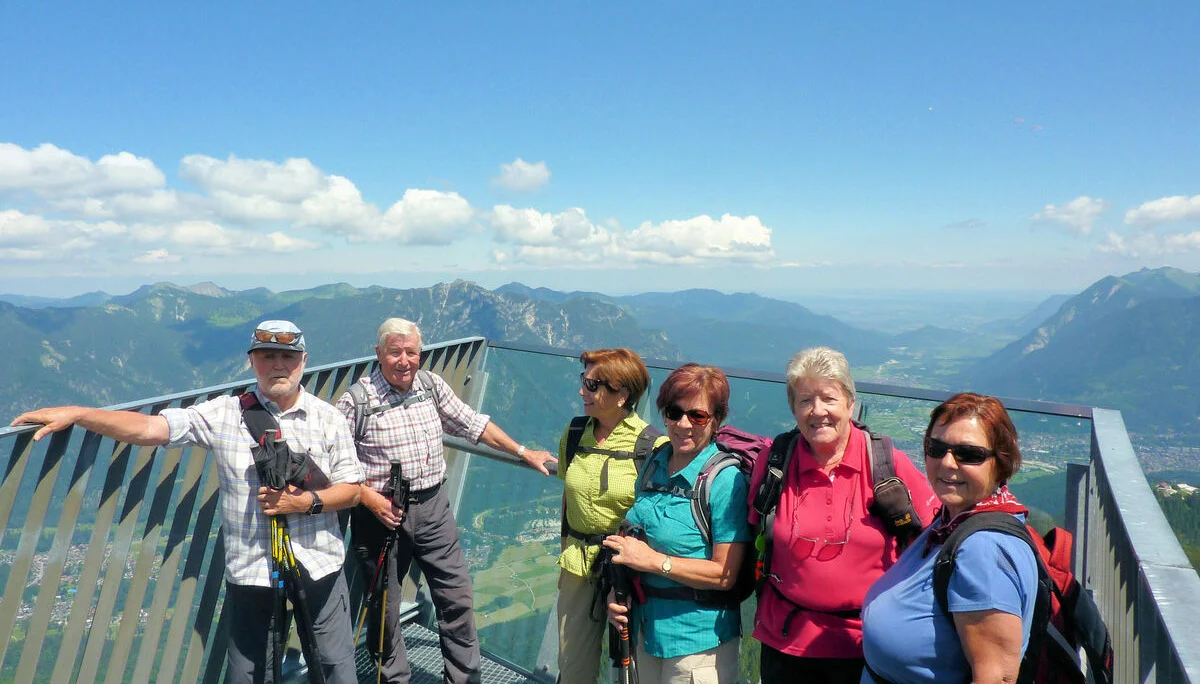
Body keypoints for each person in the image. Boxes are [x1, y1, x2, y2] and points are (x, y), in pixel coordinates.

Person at [11, 320, 365, 684]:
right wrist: (79, 414)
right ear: (251, 362)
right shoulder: (225, 414)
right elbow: (151, 429)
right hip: (254, 571)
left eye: (287, 357)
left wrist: (303, 502)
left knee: (335, 667)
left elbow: (352, 490)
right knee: (249, 676)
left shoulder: (329, 418)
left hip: (320, 562)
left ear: (303, 361)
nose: (278, 365)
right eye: (267, 356)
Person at [337, 317, 556, 684]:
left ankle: (464, 678)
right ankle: (394, 678)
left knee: (457, 597)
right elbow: (338, 467)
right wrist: (370, 499)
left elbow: (474, 424)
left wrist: (523, 451)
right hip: (380, 515)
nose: (404, 361)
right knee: (385, 607)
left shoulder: (429, 385)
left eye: (412, 352)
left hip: (434, 507)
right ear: (378, 354)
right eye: (395, 352)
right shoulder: (356, 403)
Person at [751, 347, 939, 684]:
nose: (817, 411)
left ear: (850, 404)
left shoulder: (886, 464)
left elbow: (935, 540)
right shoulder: (776, 462)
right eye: (805, 400)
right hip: (786, 643)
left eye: (828, 398)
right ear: (793, 408)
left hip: (866, 646)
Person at [860, 392, 1039, 684]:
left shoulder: (985, 550)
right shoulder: (954, 519)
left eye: (968, 454)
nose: (948, 463)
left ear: (1001, 462)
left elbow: (997, 677)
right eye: (936, 448)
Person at [605, 363, 750, 684]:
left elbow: (724, 574)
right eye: (674, 412)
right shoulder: (654, 464)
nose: (684, 424)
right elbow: (633, 536)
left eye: (697, 416)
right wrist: (616, 594)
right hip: (644, 630)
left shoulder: (725, 481)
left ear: (716, 420)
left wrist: (654, 562)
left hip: (698, 644)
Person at [556, 348, 668, 684]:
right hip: (577, 565)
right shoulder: (575, 433)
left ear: (622, 394)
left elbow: (657, 519)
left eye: (592, 384)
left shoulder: (652, 446)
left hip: (629, 574)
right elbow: (567, 498)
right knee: (572, 665)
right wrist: (563, 553)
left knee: (631, 670)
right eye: (583, 380)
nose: (581, 391)